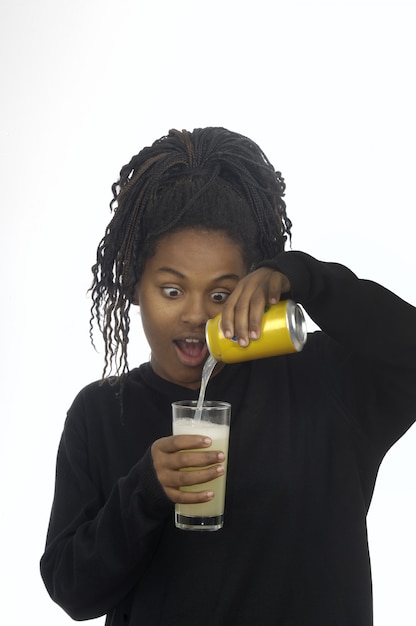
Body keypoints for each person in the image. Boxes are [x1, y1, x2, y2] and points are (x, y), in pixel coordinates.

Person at [40, 127, 416, 626]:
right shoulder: (103, 412)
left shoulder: (322, 382)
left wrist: (305, 277)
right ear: (135, 285)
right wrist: (145, 490)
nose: (196, 314)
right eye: (172, 291)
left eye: (221, 294)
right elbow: (73, 590)